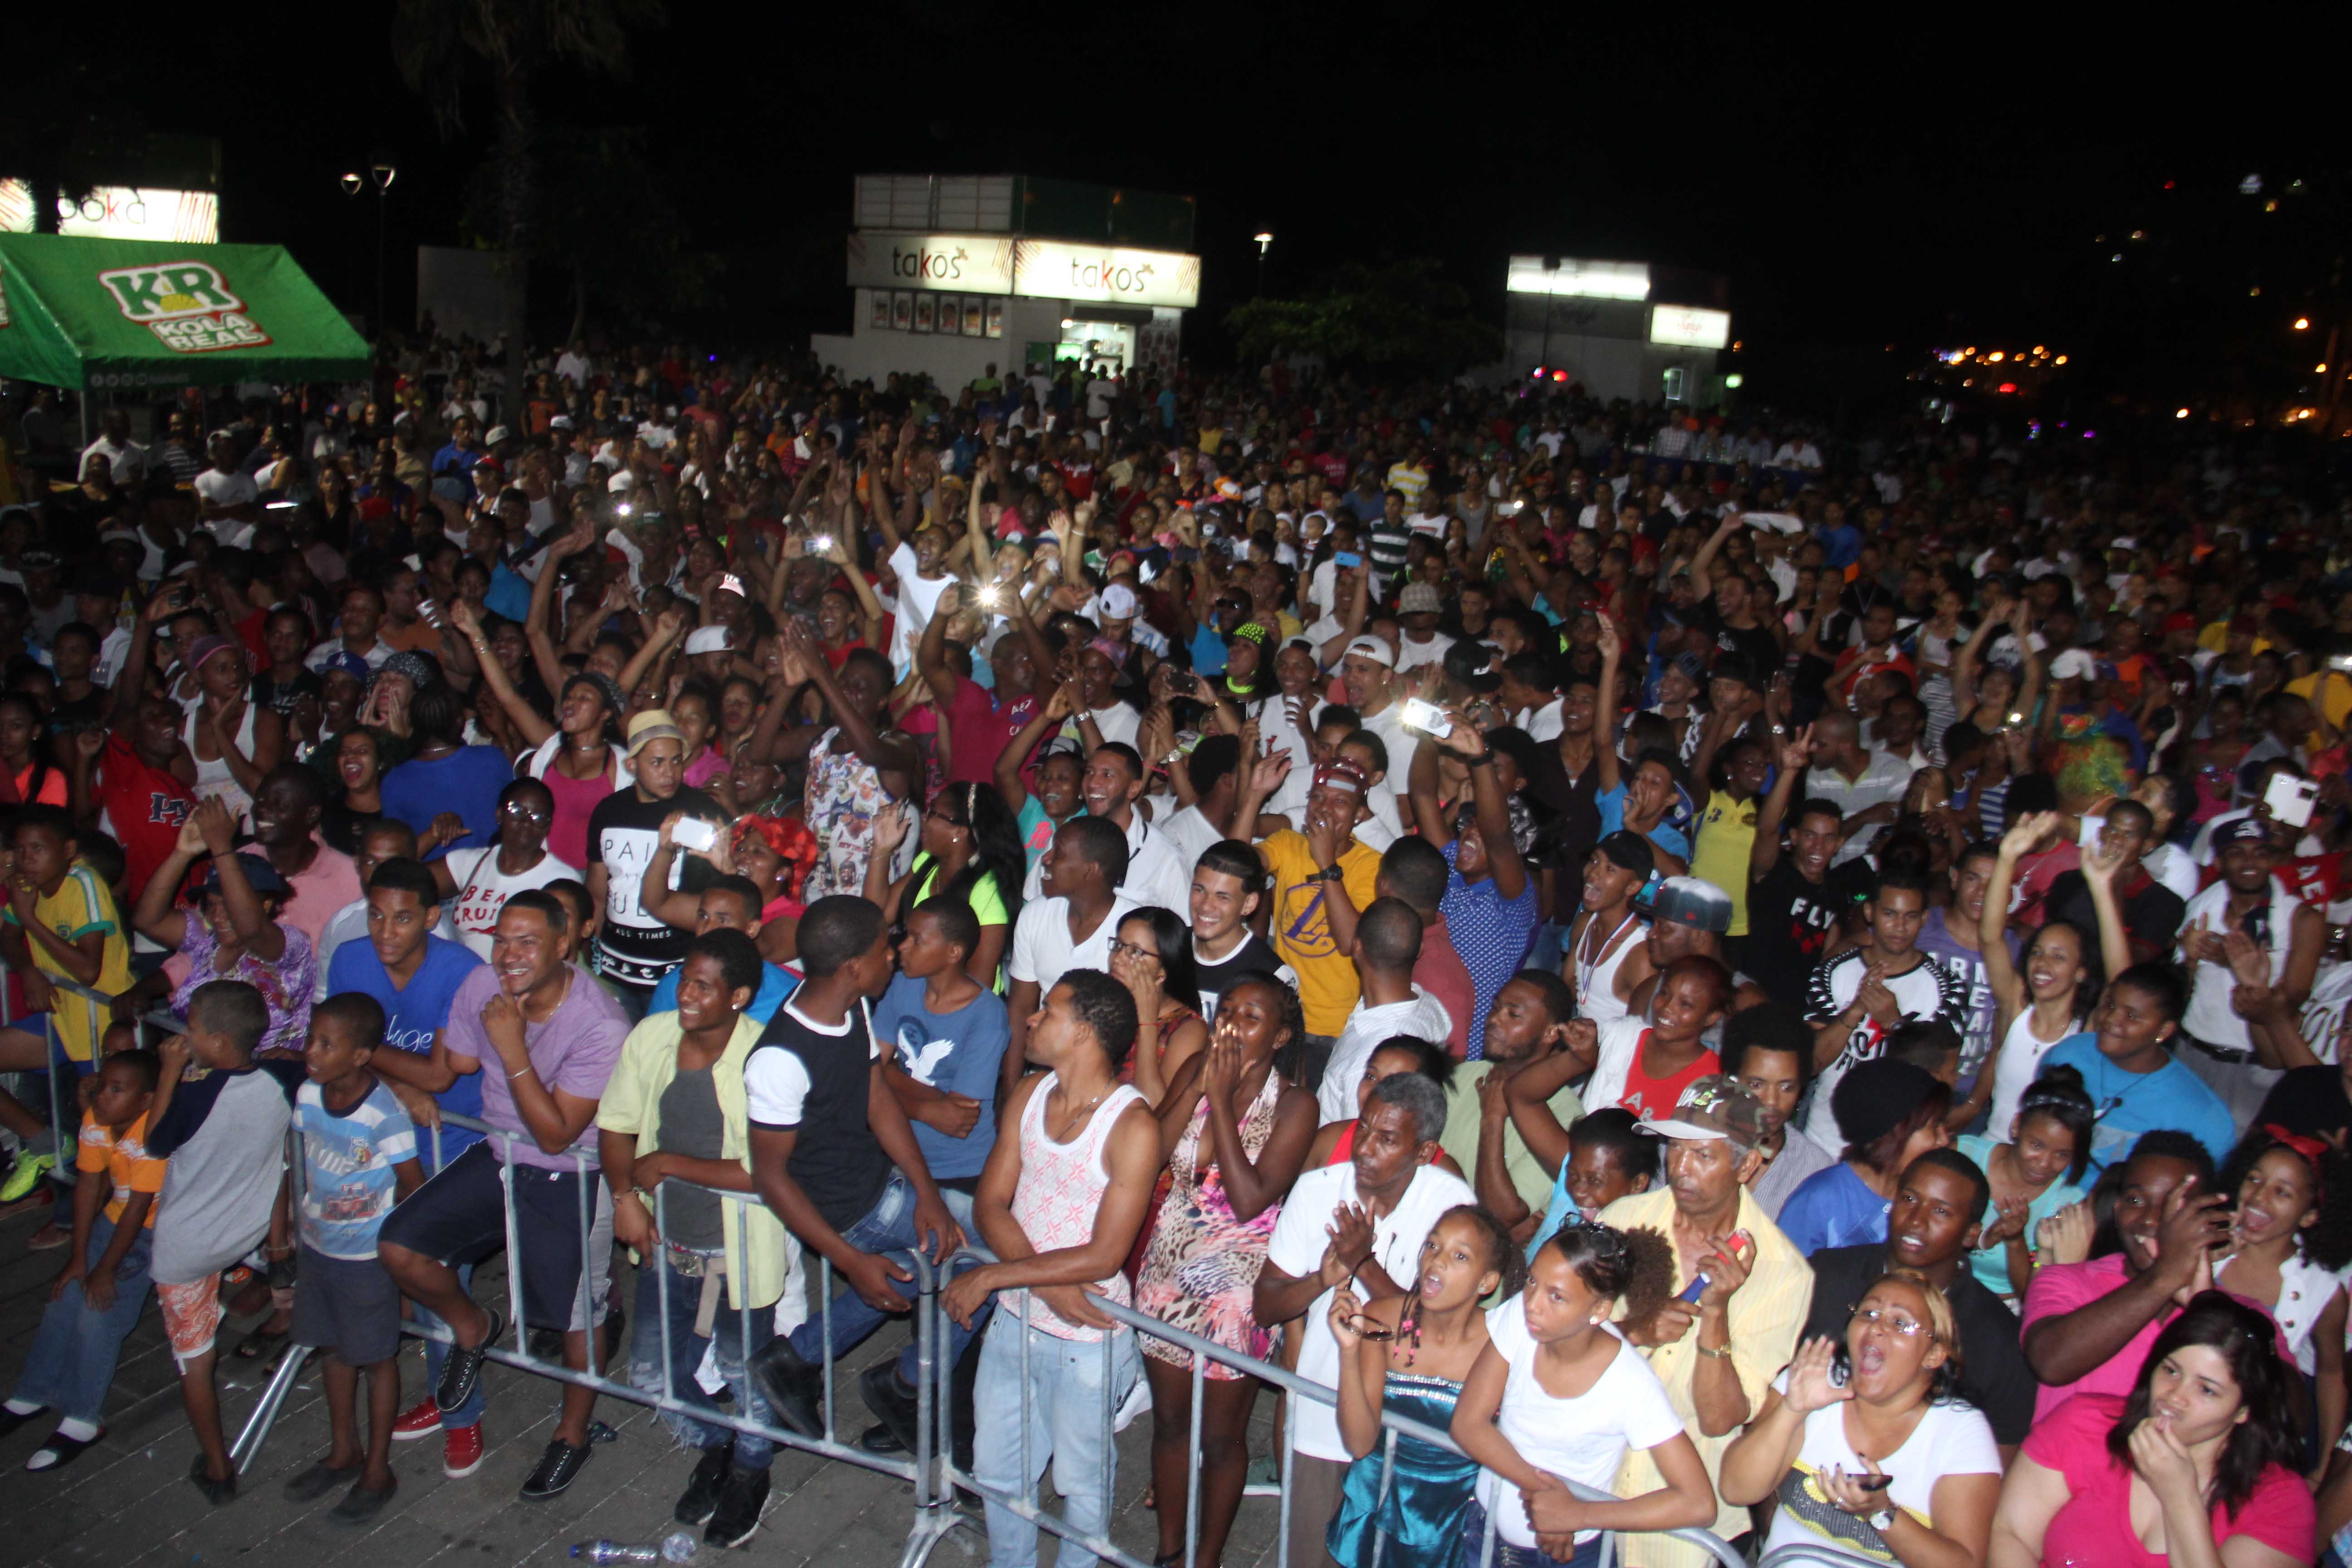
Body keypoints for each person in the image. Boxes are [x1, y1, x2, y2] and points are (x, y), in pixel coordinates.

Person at [376, 889, 630, 1501]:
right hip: (497, 1154)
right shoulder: (481, 984)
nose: (508, 956)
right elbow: (456, 1062)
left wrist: (514, 1048)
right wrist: (393, 1076)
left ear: (565, 945)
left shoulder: (601, 1023)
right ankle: (473, 1326)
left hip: (568, 1169)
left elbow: (554, 1133)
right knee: (400, 1246)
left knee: (576, 1314)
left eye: (527, 942)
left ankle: (573, 1433)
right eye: (500, 940)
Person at [940, 970, 1161, 1568]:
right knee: (998, 1470)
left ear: (1084, 1033)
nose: (1031, 1020)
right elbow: (990, 1203)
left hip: (1087, 1338)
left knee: (1082, 1485)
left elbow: (1106, 1255)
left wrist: (992, 1275)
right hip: (1017, 1320)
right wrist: (1037, 1281)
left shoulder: (1133, 1126)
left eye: (1048, 1012)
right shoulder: (1031, 1092)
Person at [740, 896, 966, 1440]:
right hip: (847, 1210)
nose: (893, 957)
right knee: (987, 1260)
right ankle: (910, 1384)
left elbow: (878, 1100)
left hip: (879, 1186)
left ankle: (797, 1360)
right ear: (853, 966)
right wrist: (848, 1259)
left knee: (924, 1260)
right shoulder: (779, 1060)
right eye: (884, 949)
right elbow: (770, 1176)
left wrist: (927, 1192)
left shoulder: (848, 1007)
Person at [597, 928, 794, 1548]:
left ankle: (751, 1471)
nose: (685, 994)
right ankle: (718, 1444)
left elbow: (767, 1173)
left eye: (703, 986)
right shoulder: (652, 1038)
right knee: (655, 1372)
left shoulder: (764, 1063)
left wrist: (668, 1165)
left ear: (737, 997)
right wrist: (626, 1199)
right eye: (685, 979)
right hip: (667, 1245)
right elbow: (616, 1124)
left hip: (732, 1257)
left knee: (742, 1366)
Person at [1255, 1072, 1476, 1568]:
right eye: (1364, 1127)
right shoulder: (1316, 1192)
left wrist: (1364, 1265)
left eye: (1388, 1138)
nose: (1364, 1147)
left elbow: (1434, 1334)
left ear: (1424, 1152)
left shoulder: (1452, 1208)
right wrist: (1322, 1279)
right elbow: (1265, 1306)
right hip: (1323, 1415)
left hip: (1410, 1434)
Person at [1594, 1076, 1813, 1568]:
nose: (1680, 1168)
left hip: (1684, 1529)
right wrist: (1636, 1333)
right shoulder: (1624, 1221)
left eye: (1703, 1156)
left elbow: (1720, 1420)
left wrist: (1716, 1313)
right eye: (1674, 1148)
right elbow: (1559, 1341)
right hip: (1591, 1487)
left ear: (1748, 1165)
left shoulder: (1783, 1273)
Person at [1136, 975, 1317, 1568]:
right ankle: (1169, 1551)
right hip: (1168, 1268)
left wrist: (1219, 1100)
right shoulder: (1196, 1072)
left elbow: (1247, 1200)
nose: (1234, 1024)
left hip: (1236, 1295)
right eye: (1229, 1011)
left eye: (1253, 1016)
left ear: (1281, 1034)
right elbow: (1155, 1149)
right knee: (1168, 1423)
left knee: (1219, 1439)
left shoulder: (1295, 1105)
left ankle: (1205, 1558)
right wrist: (1196, 1089)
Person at [1449, 1221, 1717, 1568]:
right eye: (1532, 1281)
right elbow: (1468, 1423)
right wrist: (1548, 1501)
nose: (1533, 1303)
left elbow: (1698, 1503)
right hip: (1485, 1534)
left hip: (1569, 1557)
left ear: (1599, 1311)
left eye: (1556, 1296)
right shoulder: (1520, 1317)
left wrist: (1581, 1514)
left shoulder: (1630, 1384)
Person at [1991, 1292, 2313, 1568]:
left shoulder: (2280, 1501)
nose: (2175, 1396)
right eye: (2171, 1371)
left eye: (2207, 1390)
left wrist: (2180, 1497)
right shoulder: (2085, 1423)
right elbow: (2011, 1534)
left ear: (2245, 1410)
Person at [859, 897, 1013, 1450]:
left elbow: (960, 1119)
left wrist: (891, 1080)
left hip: (960, 1174)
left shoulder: (985, 1014)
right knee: (913, 1288)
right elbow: (873, 1071)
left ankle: (942, 1423)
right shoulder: (900, 986)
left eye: (915, 940)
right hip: (898, 1157)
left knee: (956, 1302)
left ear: (953, 953)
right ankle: (913, 1408)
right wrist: (917, 1098)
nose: (901, 949)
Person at [1722, 1271, 2002, 1566]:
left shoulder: (1960, 1431)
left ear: (1933, 1355)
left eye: (1900, 1323)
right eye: (1868, 1312)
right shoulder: (1814, 1378)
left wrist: (1882, 1513)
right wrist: (1793, 1409)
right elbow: (1736, 1490)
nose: (1877, 1327)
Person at [145, 981, 303, 1504]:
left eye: (190, 1029)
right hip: (247, 1231)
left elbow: (155, 1141)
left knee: (196, 1360)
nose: (183, 1036)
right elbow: (297, 1066)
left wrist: (169, 1073)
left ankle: (217, 1469)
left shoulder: (193, 1095)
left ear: (213, 1040)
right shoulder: (283, 1077)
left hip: (186, 1249)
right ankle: (277, 1277)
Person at [2021, 1130, 2293, 1422]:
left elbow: (2291, 1416)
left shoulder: (2245, 1315)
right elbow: (2050, 1363)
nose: (2150, 1219)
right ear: (2118, 1208)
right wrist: (2165, 1278)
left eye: (2172, 1205)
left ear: (2207, 1216)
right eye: (2136, 1200)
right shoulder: (2067, 1280)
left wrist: (2209, 1310)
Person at [281, 992, 423, 1523]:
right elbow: (295, 1162)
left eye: (326, 1044)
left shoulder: (383, 1115)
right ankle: (344, 1450)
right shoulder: (309, 1097)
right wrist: (290, 1227)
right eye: (311, 1039)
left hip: (365, 1257)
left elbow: (413, 1186)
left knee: (375, 1357)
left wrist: (392, 1249)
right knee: (332, 1348)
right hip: (318, 1245)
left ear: (362, 1055)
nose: (310, 1051)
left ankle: (379, 1469)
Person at [1793, 1149, 2040, 1450]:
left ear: (1970, 1234)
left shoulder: (1997, 1338)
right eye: (1909, 1200)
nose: (1916, 1221)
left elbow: (2000, 1456)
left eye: (1941, 1212)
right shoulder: (1826, 1276)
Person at [1325, 1205, 1522, 1568]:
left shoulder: (1501, 1344)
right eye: (1432, 1246)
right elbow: (1358, 1442)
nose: (1437, 1261)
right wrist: (1350, 1353)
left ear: (1487, 1283)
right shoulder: (1382, 1316)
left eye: (1460, 1256)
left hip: (1451, 1520)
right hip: (1376, 1502)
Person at [0, 1049, 163, 1474]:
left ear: (146, 1100)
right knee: (65, 1294)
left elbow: (137, 1213)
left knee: (98, 1310)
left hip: (156, 1232)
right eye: (101, 1085)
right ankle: (32, 1394)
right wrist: (78, 1259)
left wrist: (103, 1270)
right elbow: (90, 1185)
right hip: (117, 1221)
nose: (101, 1096)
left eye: (116, 1090)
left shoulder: (153, 1136)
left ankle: (82, 1418)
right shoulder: (99, 1119)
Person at [0, 803, 134, 1186]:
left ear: (68, 851)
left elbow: (87, 970)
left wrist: (29, 920)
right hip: (60, 1020)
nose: (27, 860)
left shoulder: (84, 885)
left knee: (111, 1144)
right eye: (20, 850)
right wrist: (28, 971)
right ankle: (44, 1143)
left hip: (104, 1027)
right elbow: (7, 936)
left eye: (38, 849)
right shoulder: (30, 887)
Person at [325, 858, 487, 1169]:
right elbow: (337, 1058)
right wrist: (399, 1088)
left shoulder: (464, 971)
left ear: (430, 918)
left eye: (402, 919)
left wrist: (356, 1047)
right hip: (374, 1127)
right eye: (376, 916)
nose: (385, 933)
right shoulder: (348, 960)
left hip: (454, 1134)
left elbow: (438, 1077)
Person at [1800, 864, 1969, 1155]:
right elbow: (1811, 1063)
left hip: (1897, 1152)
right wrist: (1855, 1011)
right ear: (1870, 913)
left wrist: (1895, 1023)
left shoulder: (1947, 989)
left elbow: (1940, 1080)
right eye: (1890, 914)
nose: (1900, 927)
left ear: (1925, 919)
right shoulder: (1832, 972)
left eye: (1911, 916)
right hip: (1824, 1141)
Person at [2211, 1123, 2352, 1460]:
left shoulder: (2322, 1290)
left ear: (2310, 1215)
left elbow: (2331, 1374)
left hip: (2252, 1438)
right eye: (2255, 1180)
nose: (2259, 1198)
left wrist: (2324, 1462)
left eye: (2282, 1192)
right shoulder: (2203, 1242)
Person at [133, 801, 316, 1058]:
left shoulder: (288, 945)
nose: (218, 915)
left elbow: (252, 932)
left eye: (229, 905)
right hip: (200, 1076)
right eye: (212, 904)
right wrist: (183, 853)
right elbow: (147, 921)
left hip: (268, 1081)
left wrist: (221, 847)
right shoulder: (206, 939)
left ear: (265, 905)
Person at [1404, 706, 1540, 1049]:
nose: (1468, 835)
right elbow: (1422, 796)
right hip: (1421, 1029)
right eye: (1467, 827)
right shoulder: (1450, 864)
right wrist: (1428, 732)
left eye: (1480, 832)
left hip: (1470, 1041)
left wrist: (1480, 760)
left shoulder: (1512, 899)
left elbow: (1498, 838)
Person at [1965, 812, 2104, 1140]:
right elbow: (1990, 936)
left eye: (2059, 957)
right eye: (2038, 952)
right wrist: (2008, 857)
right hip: (1993, 1153)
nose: (2042, 964)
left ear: (2082, 971)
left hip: (2048, 1171)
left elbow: (2123, 976)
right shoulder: (2017, 1007)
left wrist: (2102, 889)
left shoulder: (2088, 1030)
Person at [1234, 754, 1385, 1045]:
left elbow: (1349, 941)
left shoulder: (1373, 866)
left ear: (1358, 815)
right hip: (1281, 1015)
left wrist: (1326, 862)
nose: (1325, 809)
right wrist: (1254, 795)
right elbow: (1235, 867)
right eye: (1317, 797)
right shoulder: (1289, 844)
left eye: (1340, 802)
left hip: (1333, 1029)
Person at [2036, 962, 2234, 1175]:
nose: (2111, 1020)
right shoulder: (2069, 1054)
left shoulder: (2203, 1116)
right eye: (2110, 1005)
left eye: (2131, 1016)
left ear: (2164, 1031)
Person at [586, 709, 721, 1018]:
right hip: (613, 968)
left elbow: (718, 897)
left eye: (676, 760)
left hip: (674, 973)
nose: (670, 772)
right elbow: (597, 891)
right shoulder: (608, 811)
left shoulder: (700, 812)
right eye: (657, 762)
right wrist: (593, 952)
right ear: (631, 765)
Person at [1004, 815, 1137, 1098]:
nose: (1046, 859)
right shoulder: (1036, 914)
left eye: (1059, 853)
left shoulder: (1134, 930)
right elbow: (1020, 1011)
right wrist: (1012, 1093)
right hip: (1042, 1071)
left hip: (1107, 1082)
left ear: (1090, 871)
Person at [1778, 1056, 1955, 1257]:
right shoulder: (1821, 1200)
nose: (1943, 1140)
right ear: (1895, 1132)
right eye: (1933, 1127)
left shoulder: (1932, 1198)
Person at [866, 778, 1025, 988]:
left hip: (960, 1004)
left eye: (933, 813)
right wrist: (882, 849)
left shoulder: (986, 890)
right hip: (920, 986)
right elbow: (878, 916)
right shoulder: (928, 862)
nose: (924, 818)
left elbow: (979, 982)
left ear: (959, 832)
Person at [1956, 1068, 2096, 1302]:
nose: (2044, 1164)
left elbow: (2034, 1298)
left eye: (2062, 1155)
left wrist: (2015, 1241)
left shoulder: (2069, 1207)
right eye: (2037, 1145)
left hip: (2004, 1306)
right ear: (2016, 1126)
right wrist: (1981, 1239)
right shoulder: (1964, 1156)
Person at [1317, 897, 1457, 1123]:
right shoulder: (1428, 1004)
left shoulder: (1371, 1064)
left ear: (1357, 947)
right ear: (1419, 950)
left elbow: (1362, 1140)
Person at [433, 777, 578, 959]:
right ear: (500, 815)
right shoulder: (471, 862)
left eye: (539, 816)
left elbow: (567, 955)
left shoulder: (561, 879)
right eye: (517, 810)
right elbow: (403, 885)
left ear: (548, 826)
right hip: (465, 979)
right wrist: (432, 835)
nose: (526, 821)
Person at [1721, 1002, 1837, 1218]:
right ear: (1731, 1080)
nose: (1772, 1101)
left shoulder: (1815, 1169)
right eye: (1757, 1085)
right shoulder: (1688, 1143)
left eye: (1787, 1087)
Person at [1109, 905, 1209, 1105]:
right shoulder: (1108, 1005)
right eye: (1118, 946)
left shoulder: (1188, 1029)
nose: (1119, 958)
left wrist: (1147, 1022)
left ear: (1162, 973)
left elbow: (1154, 1109)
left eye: (1135, 952)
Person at [1188, 837, 1290, 1027]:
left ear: (1249, 904)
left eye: (1222, 897)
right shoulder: (1168, 948)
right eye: (1200, 890)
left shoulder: (1273, 976)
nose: (1206, 906)